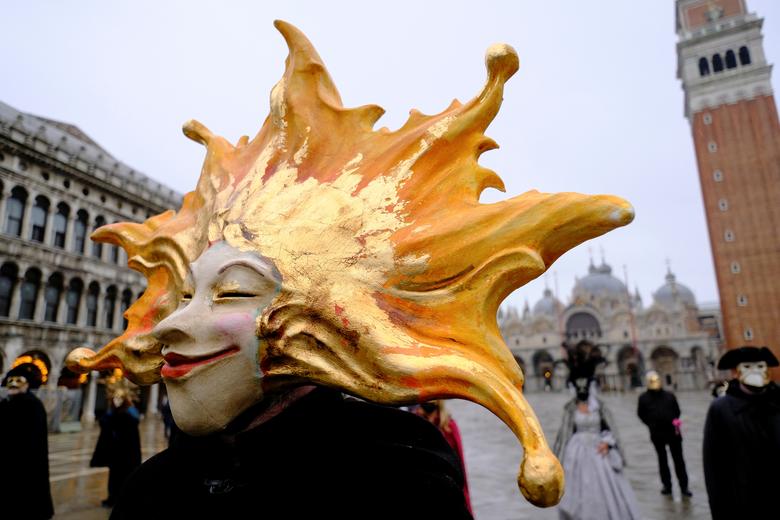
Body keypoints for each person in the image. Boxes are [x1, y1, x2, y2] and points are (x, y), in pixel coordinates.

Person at [64, 20, 635, 516]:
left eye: (234, 292)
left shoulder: (394, 482)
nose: (171, 325)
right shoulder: (151, 494)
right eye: (187, 295)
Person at [703, 346, 780, 520]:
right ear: (736, 372)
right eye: (747, 366)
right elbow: (714, 466)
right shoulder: (721, 409)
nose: (755, 372)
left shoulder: (777, 402)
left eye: (760, 366)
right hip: (744, 503)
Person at [554, 377, 641, 520]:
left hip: (598, 450)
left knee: (606, 487)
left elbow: (609, 428)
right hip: (576, 453)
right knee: (577, 486)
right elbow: (564, 434)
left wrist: (608, 443)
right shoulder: (570, 408)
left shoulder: (599, 407)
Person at [0, 364, 54, 520]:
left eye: (19, 380)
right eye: (11, 380)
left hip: (25, 463)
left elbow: (33, 438)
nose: (14, 384)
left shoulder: (33, 405)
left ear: (27, 384)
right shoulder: (6, 403)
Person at [637, 370, 691, 497]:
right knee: (662, 460)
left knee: (679, 460)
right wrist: (651, 424)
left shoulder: (669, 395)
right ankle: (667, 485)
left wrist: (672, 421)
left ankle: (684, 487)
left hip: (673, 433)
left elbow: (677, 411)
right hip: (657, 434)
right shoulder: (643, 398)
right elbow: (641, 414)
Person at [414, 400, 473, 514]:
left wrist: (466, 505)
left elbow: (460, 465)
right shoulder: (416, 423)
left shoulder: (449, 427)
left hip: (446, 488)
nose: (428, 403)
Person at [90, 381, 142, 508]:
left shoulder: (130, 415)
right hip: (115, 455)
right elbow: (105, 424)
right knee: (114, 478)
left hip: (127, 455)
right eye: (115, 398)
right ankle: (112, 498)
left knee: (125, 478)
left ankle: (123, 499)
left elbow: (133, 429)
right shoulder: (112, 414)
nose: (117, 401)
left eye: (120, 398)